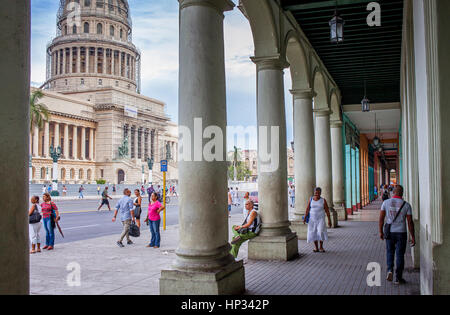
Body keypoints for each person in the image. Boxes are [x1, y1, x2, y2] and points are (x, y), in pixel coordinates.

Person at [379, 185, 415, 285]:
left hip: (390, 232)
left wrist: (381, 232)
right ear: (402, 193)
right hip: (401, 233)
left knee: (390, 252)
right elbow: (410, 222)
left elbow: (381, 219)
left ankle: (390, 270)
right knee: (400, 255)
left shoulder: (385, 203)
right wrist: (413, 236)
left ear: (393, 192)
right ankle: (398, 278)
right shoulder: (406, 205)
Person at [303, 187, 332, 253]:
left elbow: (327, 211)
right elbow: (308, 209)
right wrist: (305, 217)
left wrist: (329, 220)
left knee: (320, 231)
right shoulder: (311, 199)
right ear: (314, 192)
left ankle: (321, 246)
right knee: (313, 232)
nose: (317, 194)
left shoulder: (323, 200)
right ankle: (316, 247)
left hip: (320, 219)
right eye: (316, 192)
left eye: (318, 193)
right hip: (312, 219)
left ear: (320, 193)